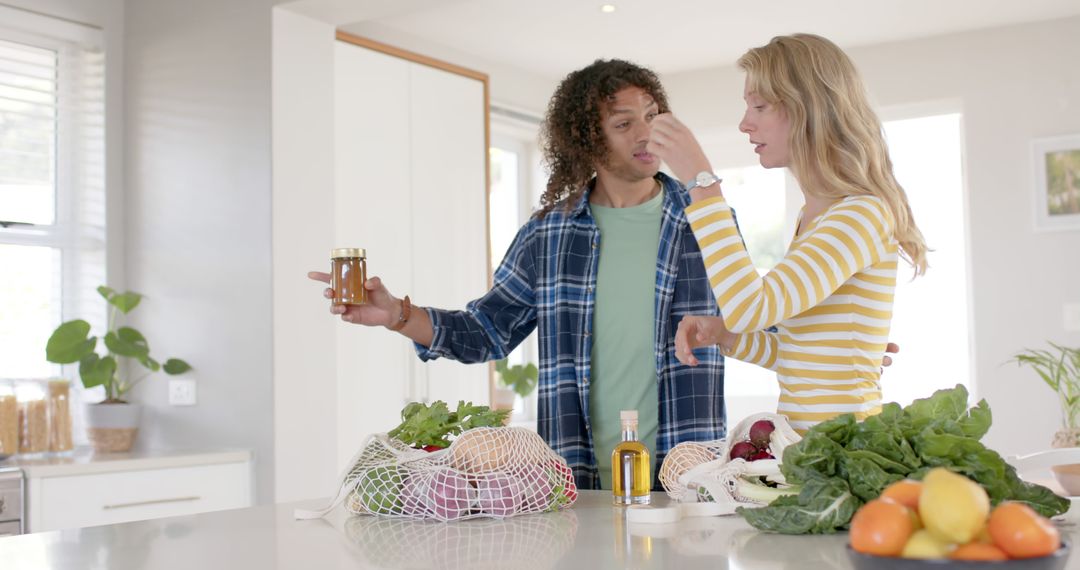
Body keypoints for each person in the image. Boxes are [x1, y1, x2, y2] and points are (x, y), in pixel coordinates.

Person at [310, 59, 728, 490]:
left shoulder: (704, 219)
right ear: (587, 140)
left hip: (688, 480)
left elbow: (753, 315)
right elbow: (485, 331)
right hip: (577, 483)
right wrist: (397, 314)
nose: (646, 134)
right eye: (624, 124)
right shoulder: (547, 233)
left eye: (652, 116)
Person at [647, 33, 927, 435]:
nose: (745, 123)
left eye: (759, 105)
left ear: (810, 110)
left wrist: (702, 184)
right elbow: (804, 356)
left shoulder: (860, 215)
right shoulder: (815, 216)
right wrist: (727, 335)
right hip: (813, 454)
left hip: (845, 454)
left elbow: (749, 308)